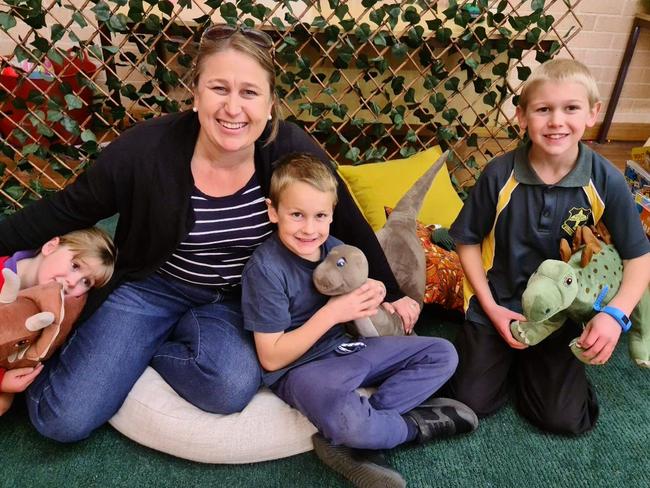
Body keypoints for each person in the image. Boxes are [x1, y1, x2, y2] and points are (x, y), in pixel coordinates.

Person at [0, 24, 416, 442]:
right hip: (151, 288)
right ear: (196, 94)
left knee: (230, 387)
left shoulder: (289, 149)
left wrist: (393, 291)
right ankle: (108, 351)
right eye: (219, 88)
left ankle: (140, 354)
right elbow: (68, 208)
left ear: (270, 104)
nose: (233, 108)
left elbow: (343, 217)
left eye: (249, 93)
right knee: (61, 420)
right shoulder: (144, 151)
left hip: (237, 297)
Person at [241, 153, 478, 488]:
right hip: (303, 370)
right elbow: (271, 356)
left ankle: (366, 432)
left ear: (331, 214)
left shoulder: (333, 247)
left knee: (443, 354)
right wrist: (333, 313)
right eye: (296, 215)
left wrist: (376, 289)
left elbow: (360, 282)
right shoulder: (265, 270)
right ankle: (411, 428)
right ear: (273, 211)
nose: (309, 228)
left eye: (320, 216)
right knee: (348, 419)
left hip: (348, 349)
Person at [447, 58, 650, 435]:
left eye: (570, 108)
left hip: (563, 315)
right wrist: (490, 307)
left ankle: (544, 371)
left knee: (563, 420)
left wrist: (615, 315)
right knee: (469, 404)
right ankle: (506, 360)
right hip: (499, 306)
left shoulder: (606, 180)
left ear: (593, 113)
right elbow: (467, 241)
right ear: (522, 117)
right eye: (543, 110)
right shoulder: (498, 174)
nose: (556, 121)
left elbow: (639, 257)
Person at [0, 227, 116, 415]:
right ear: (50, 246)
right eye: (75, 266)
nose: (73, 283)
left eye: (86, 282)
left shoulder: (55, 308)